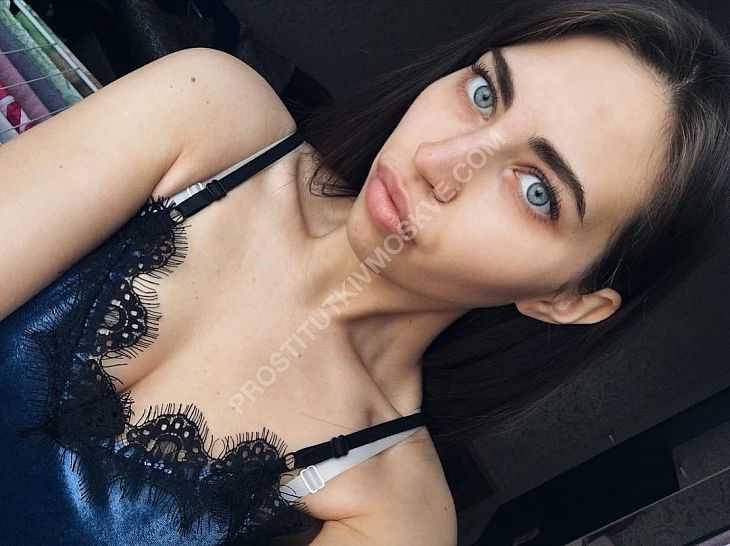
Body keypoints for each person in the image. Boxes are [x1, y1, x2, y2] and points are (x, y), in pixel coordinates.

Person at [0, 0, 728, 545]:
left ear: (567, 300)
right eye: (484, 93)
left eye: (537, 190)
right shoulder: (211, 118)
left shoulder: (392, 516)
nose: (441, 161)